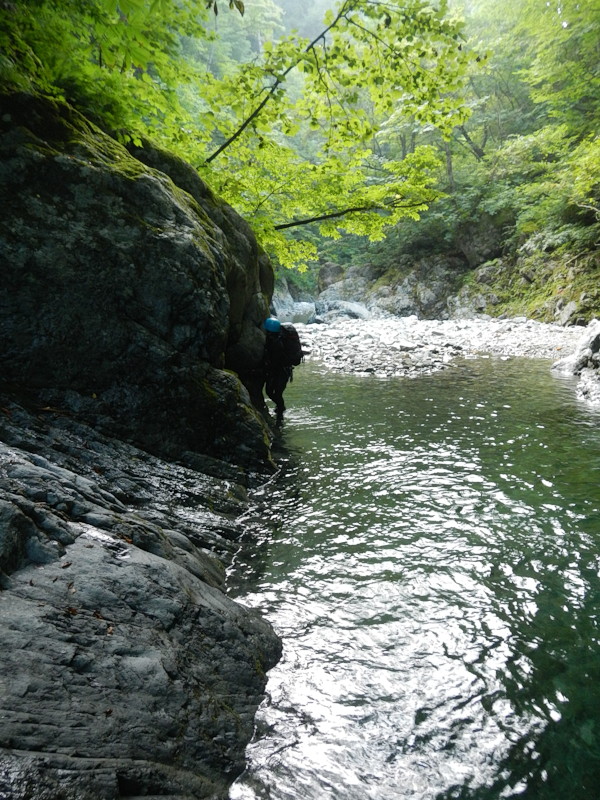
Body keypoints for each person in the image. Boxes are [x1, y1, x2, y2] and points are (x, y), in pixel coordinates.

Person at [262, 317, 303, 423]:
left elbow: (275, 359)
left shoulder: (276, 342)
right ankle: (280, 409)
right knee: (276, 392)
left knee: (272, 392)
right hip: (284, 370)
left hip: (281, 370)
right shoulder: (280, 337)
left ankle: (280, 414)